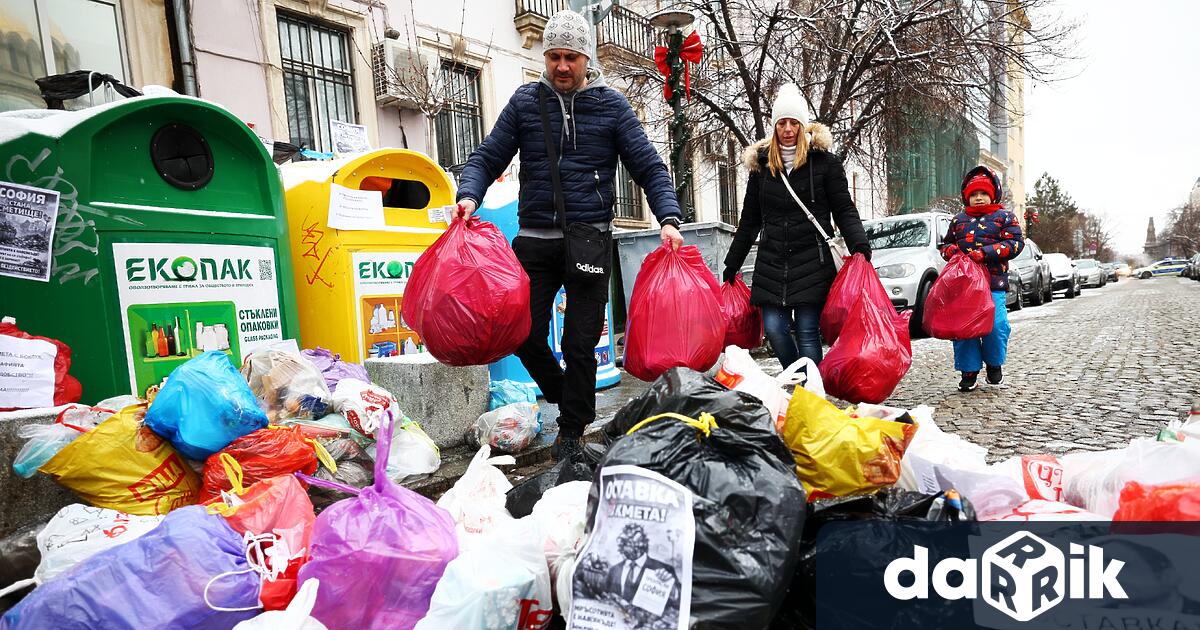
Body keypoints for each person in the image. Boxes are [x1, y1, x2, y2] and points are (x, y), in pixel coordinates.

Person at [453, 9, 684, 461]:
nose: (561, 66)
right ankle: (566, 396)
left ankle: (573, 431)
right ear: (546, 56)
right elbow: (486, 156)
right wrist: (469, 196)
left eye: (571, 57)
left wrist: (668, 218)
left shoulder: (611, 106)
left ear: (586, 58)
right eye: (554, 56)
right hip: (535, 242)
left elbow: (649, 167)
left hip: (589, 242)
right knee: (521, 332)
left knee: (580, 343)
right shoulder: (525, 102)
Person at [722, 83, 870, 369]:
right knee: (775, 330)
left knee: (806, 331)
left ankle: (811, 392)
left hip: (811, 261)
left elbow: (844, 209)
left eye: (793, 123)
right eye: (781, 123)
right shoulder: (762, 170)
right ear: (775, 127)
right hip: (772, 262)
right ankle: (800, 377)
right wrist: (733, 263)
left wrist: (859, 245)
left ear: (803, 126)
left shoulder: (825, 164)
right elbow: (749, 222)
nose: (788, 129)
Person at [939, 165, 1023, 391]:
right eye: (973, 194)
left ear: (992, 194)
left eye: (983, 193)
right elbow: (945, 245)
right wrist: (952, 252)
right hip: (964, 286)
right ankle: (969, 371)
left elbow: (1015, 243)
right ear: (967, 197)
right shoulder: (958, 220)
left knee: (996, 326)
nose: (978, 198)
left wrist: (985, 253)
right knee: (965, 328)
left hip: (993, 283)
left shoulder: (1005, 217)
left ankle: (994, 364)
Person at [604, 523, 680, 608]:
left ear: (641, 544)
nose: (621, 547)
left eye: (627, 543)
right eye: (622, 543)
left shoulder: (665, 569)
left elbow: (682, 602)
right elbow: (605, 595)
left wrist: (673, 591)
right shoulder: (614, 570)